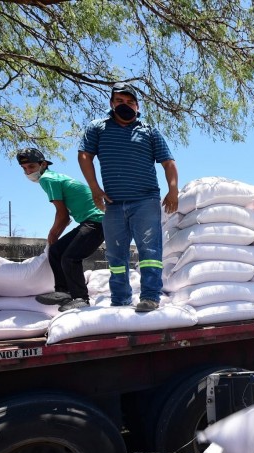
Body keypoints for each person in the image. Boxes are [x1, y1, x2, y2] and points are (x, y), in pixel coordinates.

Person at [78, 82, 178, 313]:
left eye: (130, 102)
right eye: (120, 101)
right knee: (115, 253)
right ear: (112, 103)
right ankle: (120, 298)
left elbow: (168, 163)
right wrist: (94, 188)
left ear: (137, 106)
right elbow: (85, 155)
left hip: (145, 200)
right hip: (113, 203)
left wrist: (173, 190)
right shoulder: (98, 128)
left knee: (149, 252)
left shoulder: (149, 131)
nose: (125, 105)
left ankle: (151, 296)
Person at [17, 148, 105, 312]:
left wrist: (53, 234)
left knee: (70, 258)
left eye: (31, 167)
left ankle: (81, 298)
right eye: (24, 168)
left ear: (43, 164)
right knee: (56, 250)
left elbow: (63, 214)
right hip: (89, 221)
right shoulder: (54, 177)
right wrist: (56, 236)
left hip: (97, 222)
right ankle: (63, 292)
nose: (28, 171)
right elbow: (65, 217)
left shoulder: (47, 179)